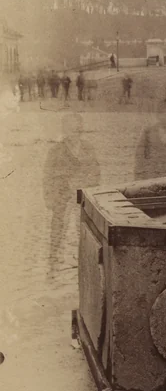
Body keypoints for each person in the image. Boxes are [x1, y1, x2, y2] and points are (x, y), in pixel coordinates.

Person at [44, 112, 99, 277]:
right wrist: (49, 197)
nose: (74, 132)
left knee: (85, 231)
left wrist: (93, 194)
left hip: (83, 198)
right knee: (58, 230)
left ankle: (87, 265)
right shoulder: (56, 150)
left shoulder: (88, 148)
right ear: (64, 129)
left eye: (77, 128)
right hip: (62, 197)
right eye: (70, 128)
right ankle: (53, 264)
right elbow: (47, 176)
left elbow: (96, 171)